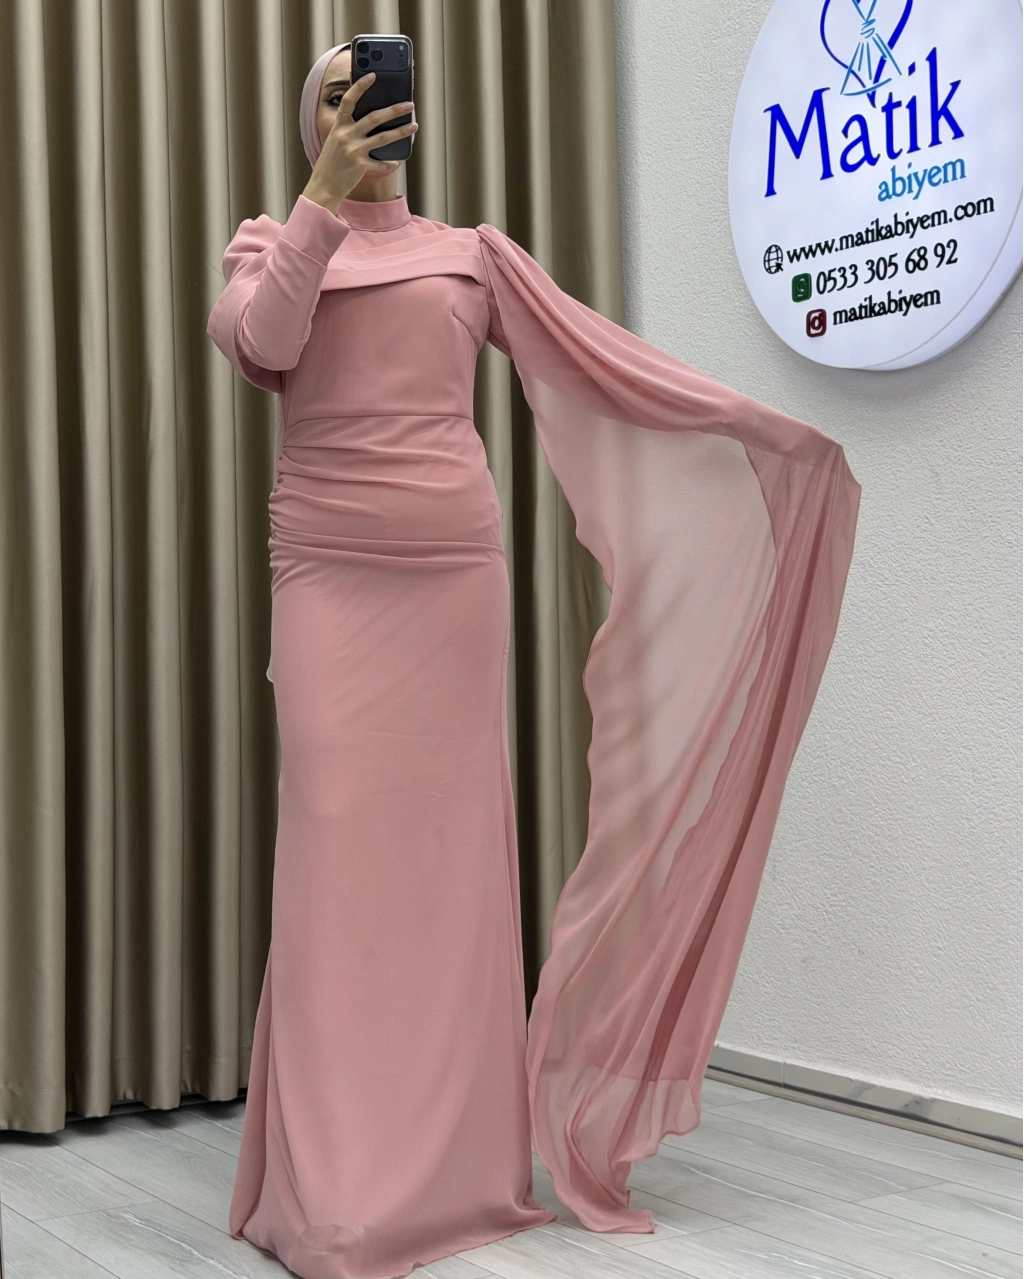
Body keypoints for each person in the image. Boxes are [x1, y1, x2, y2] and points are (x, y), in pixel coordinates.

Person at [207, 39, 861, 1279]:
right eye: (341, 97)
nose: (365, 112)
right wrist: (319, 203)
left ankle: (457, 1174)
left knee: (452, 864)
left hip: (453, 581)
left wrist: (753, 432)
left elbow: (607, 369)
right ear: (313, 121)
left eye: (378, 93)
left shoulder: (473, 254)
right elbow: (263, 346)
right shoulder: (268, 242)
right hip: (329, 578)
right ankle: (335, 1184)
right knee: (336, 851)